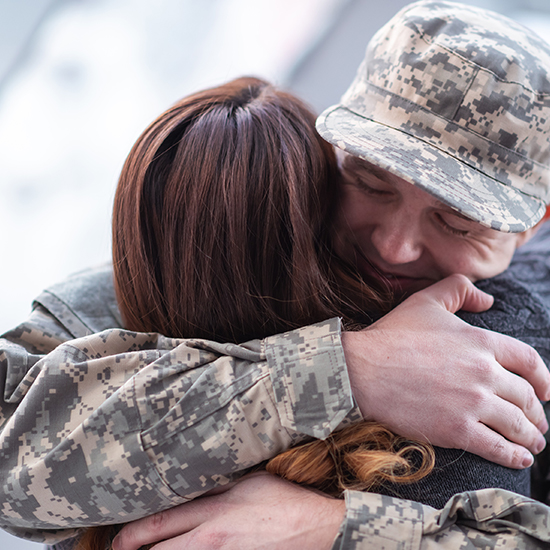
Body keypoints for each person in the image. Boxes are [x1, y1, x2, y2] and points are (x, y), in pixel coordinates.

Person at [1, 0, 550, 549]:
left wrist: (335, 529)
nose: (394, 246)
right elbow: (11, 464)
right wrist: (334, 373)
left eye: (456, 223)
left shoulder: (517, 333)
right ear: (335, 150)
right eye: (371, 184)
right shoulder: (210, 262)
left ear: (531, 225)